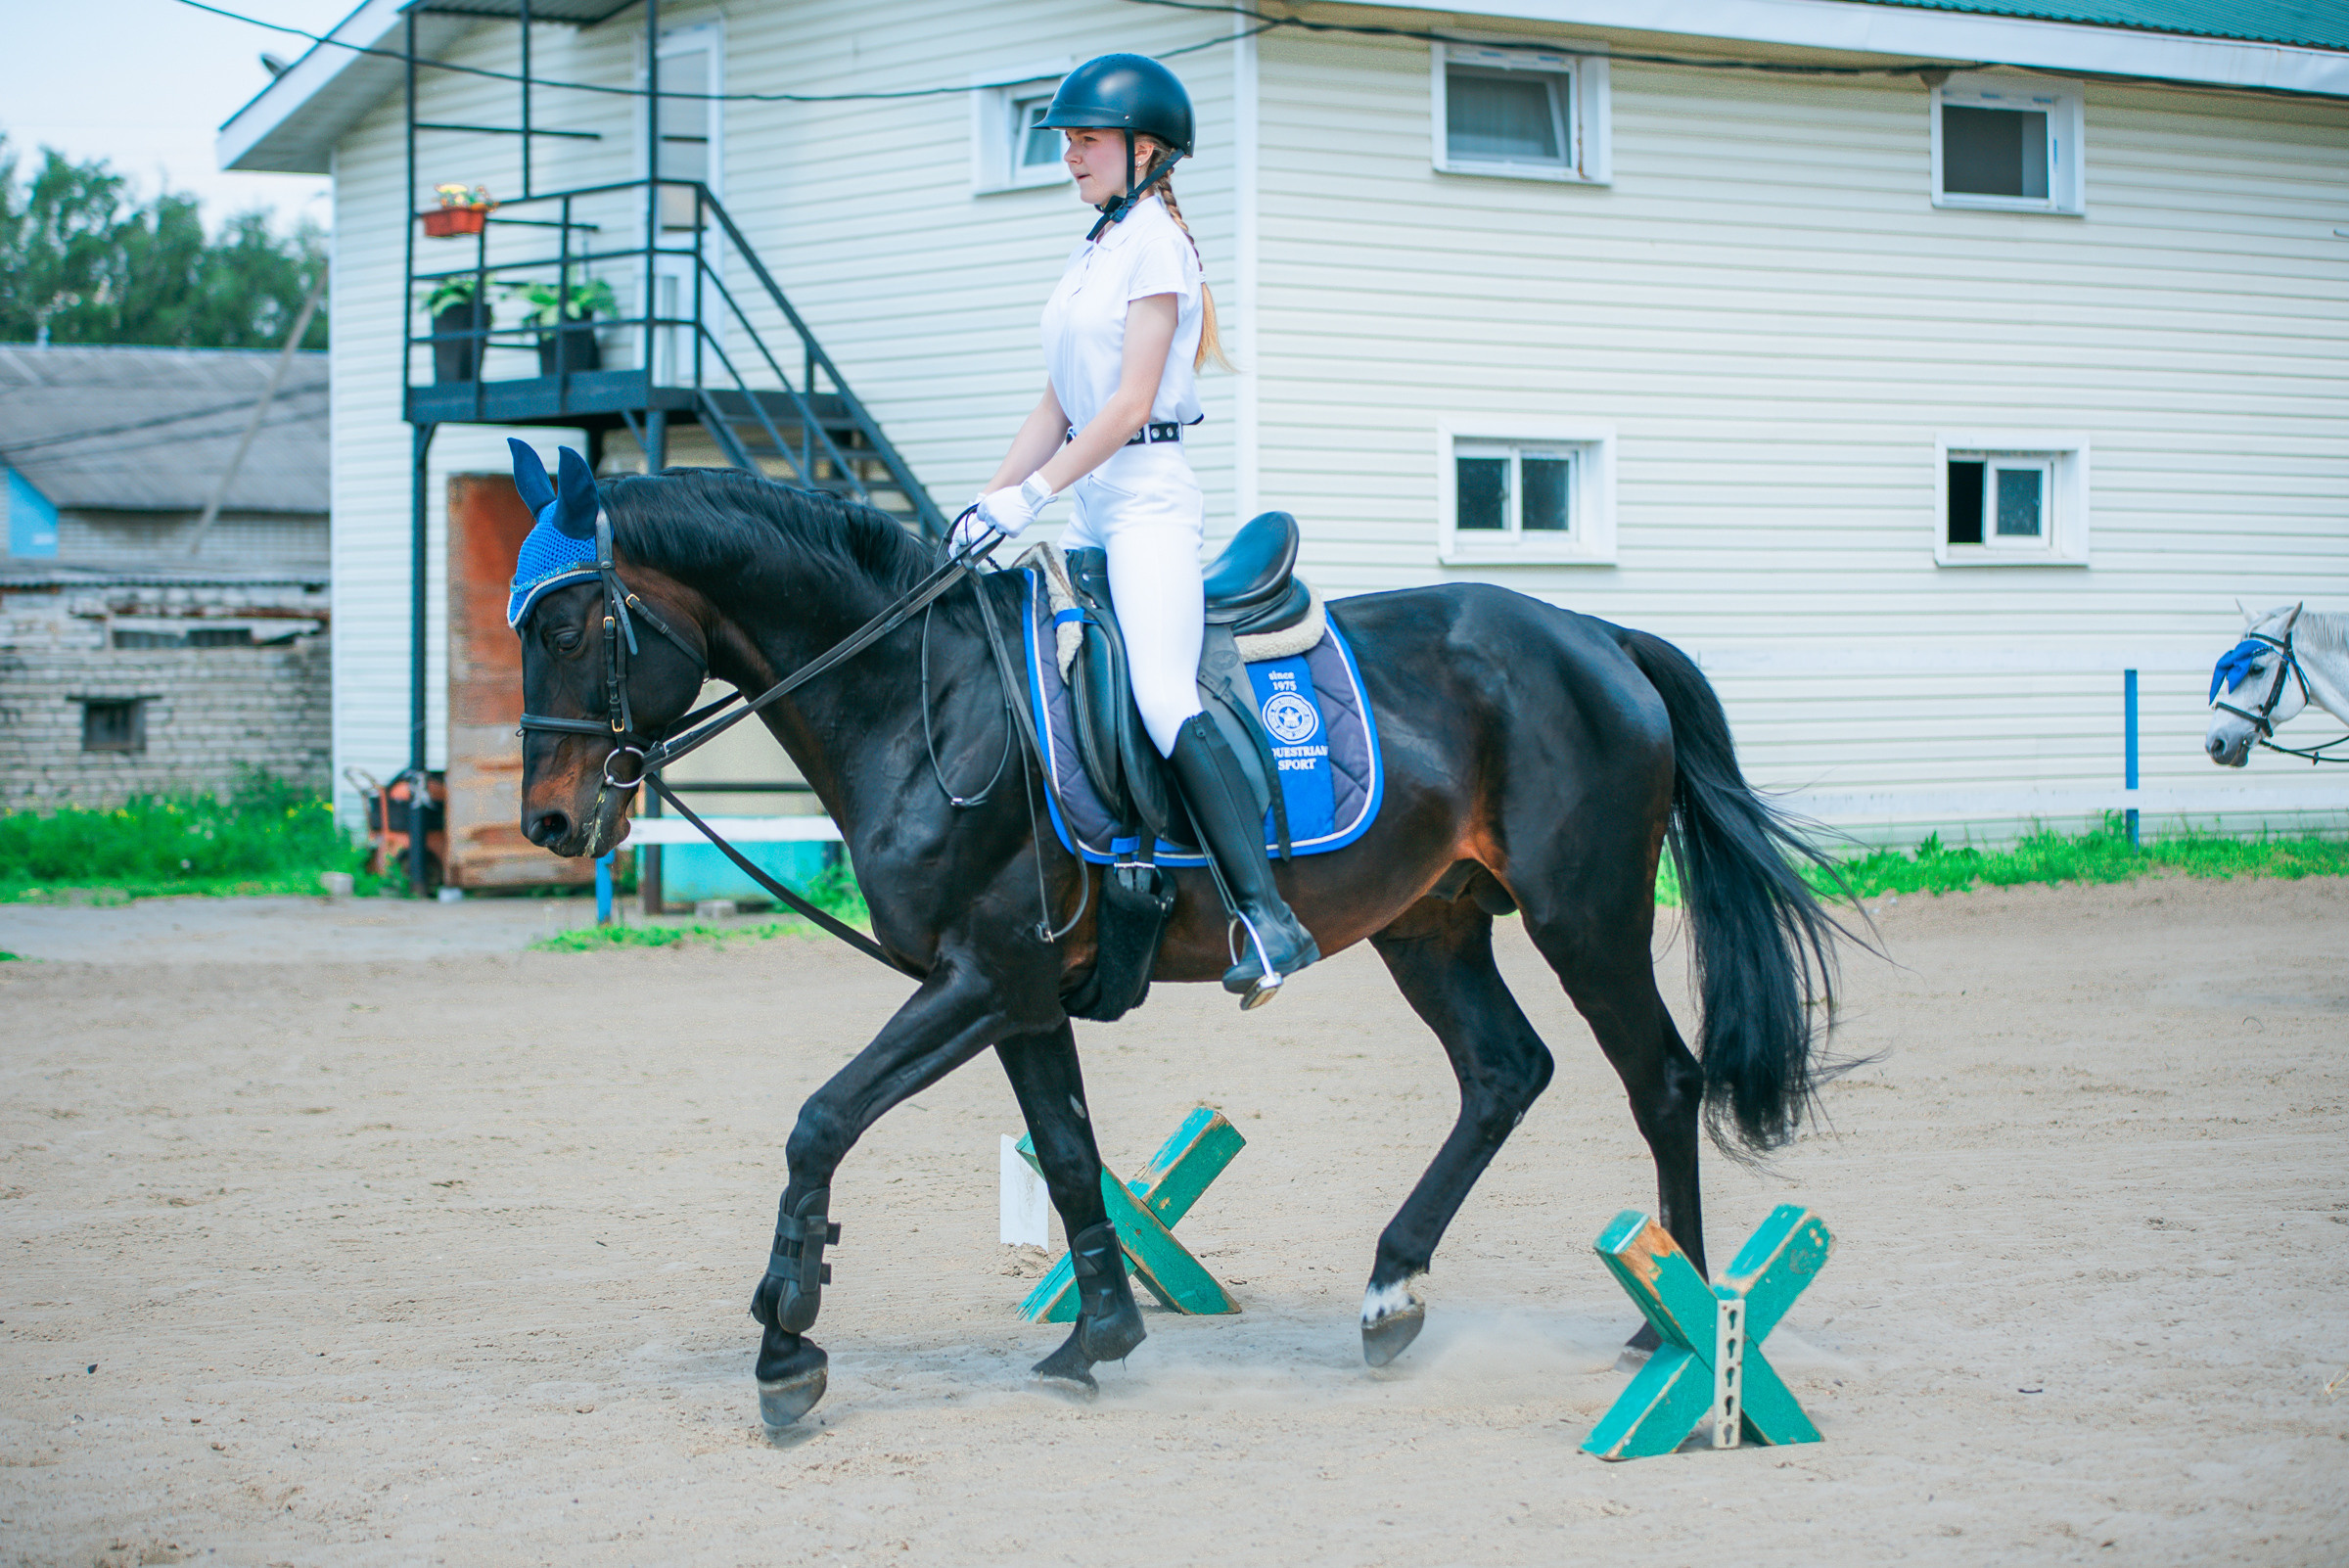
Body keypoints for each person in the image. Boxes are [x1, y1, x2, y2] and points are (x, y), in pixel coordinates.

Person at [957, 53, 1317, 1006]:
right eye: (1066, 140)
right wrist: (982, 505)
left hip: (1147, 492)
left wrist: (1027, 498)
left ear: (1145, 150)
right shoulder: (1098, 249)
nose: (1069, 154)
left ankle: (1267, 918)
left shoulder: (1155, 241)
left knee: (1160, 693)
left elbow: (1121, 409)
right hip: (1089, 497)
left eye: (1085, 139)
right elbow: (1056, 402)